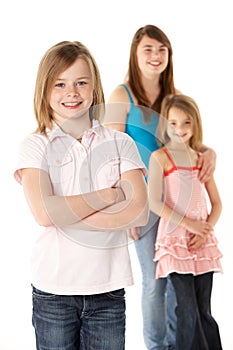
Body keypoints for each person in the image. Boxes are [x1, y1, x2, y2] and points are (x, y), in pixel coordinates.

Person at [13, 40, 149, 350]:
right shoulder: (35, 145)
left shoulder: (120, 143)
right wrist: (110, 195)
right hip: (53, 291)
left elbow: (139, 212)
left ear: (94, 87)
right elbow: (45, 215)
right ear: (44, 90)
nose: (71, 92)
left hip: (108, 291)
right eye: (60, 84)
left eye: (81, 82)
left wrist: (67, 213)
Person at [104, 24, 217, 350]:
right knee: (154, 282)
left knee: (177, 280)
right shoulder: (121, 95)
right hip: (144, 203)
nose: (155, 56)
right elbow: (110, 155)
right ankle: (157, 346)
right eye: (148, 50)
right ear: (135, 54)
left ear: (169, 55)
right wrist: (123, 208)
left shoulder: (173, 98)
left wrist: (210, 151)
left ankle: (177, 344)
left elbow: (187, 139)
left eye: (161, 50)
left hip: (177, 202)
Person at [148, 93, 223, 350]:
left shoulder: (200, 159)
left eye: (187, 123)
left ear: (195, 124)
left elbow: (217, 204)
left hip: (201, 243)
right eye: (173, 123)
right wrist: (191, 225)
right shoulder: (160, 158)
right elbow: (155, 203)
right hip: (175, 242)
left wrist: (204, 232)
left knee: (204, 309)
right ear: (165, 125)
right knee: (187, 310)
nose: (180, 129)